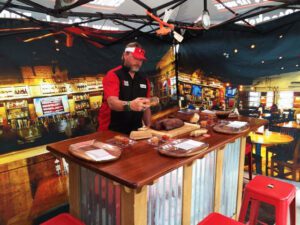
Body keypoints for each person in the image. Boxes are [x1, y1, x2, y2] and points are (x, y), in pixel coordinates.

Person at [98, 42, 151, 134]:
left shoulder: (144, 79)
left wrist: (148, 126)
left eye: (141, 60)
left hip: (136, 131)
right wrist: (130, 105)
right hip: (111, 130)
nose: (138, 62)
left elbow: (146, 107)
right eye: (135, 58)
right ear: (125, 55)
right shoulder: (113, 75)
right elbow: (112, 103)